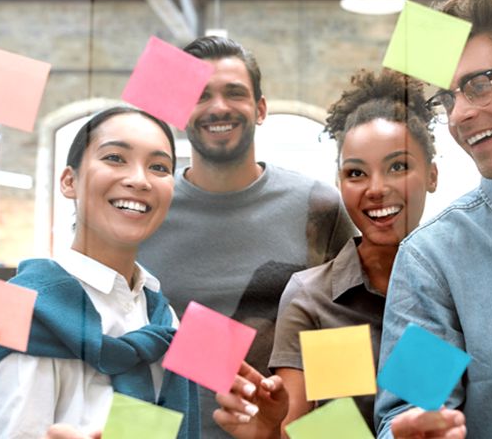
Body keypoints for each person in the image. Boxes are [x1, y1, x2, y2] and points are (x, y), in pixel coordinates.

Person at [138, 36, 355, 438]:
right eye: (201, 95)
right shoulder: (145, 210)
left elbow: (347, 333)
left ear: (260, 108)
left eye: (234, 93)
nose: (218, 106)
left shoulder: (317, 206)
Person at [213, 69, 439, 437]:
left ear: (431, 174)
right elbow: (297, 428)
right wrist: (269, 428)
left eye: (398, 167)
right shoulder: (313, 297)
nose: (376, 189)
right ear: (339, 183)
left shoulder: (457, 281)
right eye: (356, 173)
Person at [0, 107, 200, 439]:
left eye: (159, 167)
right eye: (115, 158)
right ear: (70, 181)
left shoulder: (161, 318)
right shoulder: (17, 310)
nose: (139, 180)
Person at [375, 0, 492, 438]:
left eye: (478, 84)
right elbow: (407, 412)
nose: (459, 115)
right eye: (449, 98)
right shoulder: (436, 259)